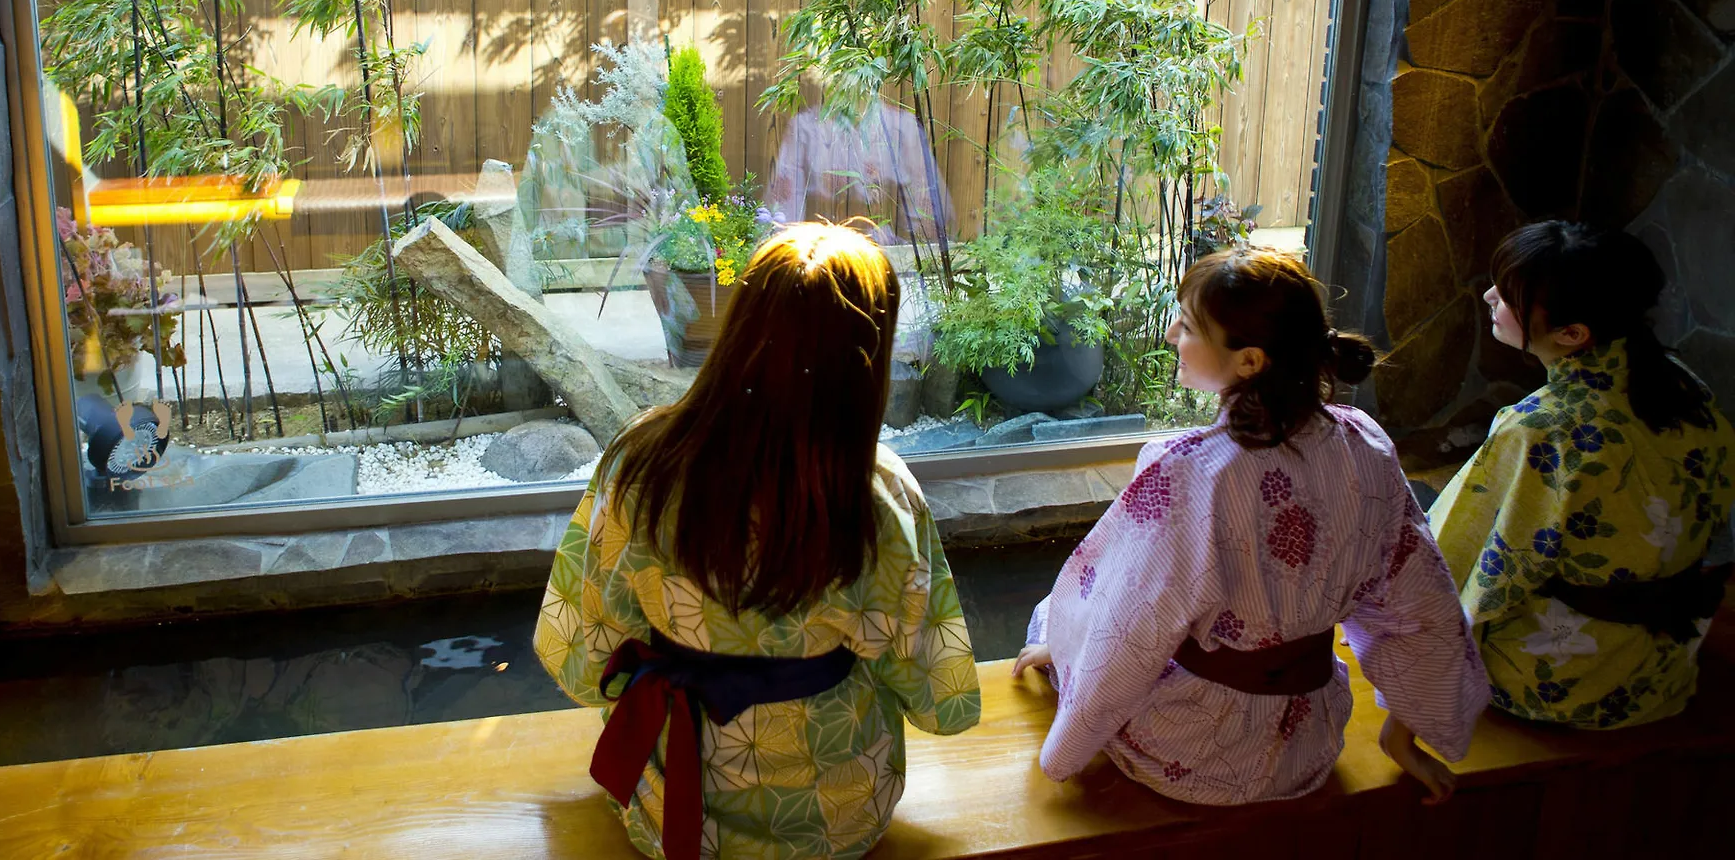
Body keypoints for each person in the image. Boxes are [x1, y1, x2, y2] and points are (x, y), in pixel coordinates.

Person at [534, 221, 981, 860]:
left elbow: (580, 657)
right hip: (837, 821)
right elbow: (942, 699)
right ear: (867, 360)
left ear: (738, 326)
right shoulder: (880, 496)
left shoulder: (642, 466)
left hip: (670, 808)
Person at [1012, 247, 1486, 806]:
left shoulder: (1186, 470)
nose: (1170, 335)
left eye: (1188, 326)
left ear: (1250, 361)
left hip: (1193, 748)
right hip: (1309, 737)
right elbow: (1418, 600)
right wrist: (1405, 729)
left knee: (1055, 620)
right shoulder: (1365, 444)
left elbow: (1131, 623)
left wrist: (1065, 675)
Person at [1429, 222, 1732, 729]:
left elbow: (1459, 555)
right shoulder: (1683, 385)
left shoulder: (1544, 427)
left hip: (1569, 678)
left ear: (1571, 335)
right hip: (1665, 661)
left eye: (1508, 296)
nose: (1488, 297)